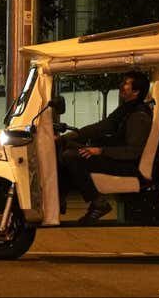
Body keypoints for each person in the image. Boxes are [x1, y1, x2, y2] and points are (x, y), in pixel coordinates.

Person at [57, 71, 152, 225]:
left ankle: (98, 202)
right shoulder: (126, 109)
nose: (121, 85)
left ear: (136, 91)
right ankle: (58, 197)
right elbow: (101, 127)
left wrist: (100, 151)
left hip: (126, 165)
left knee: (70, 156)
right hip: (113, 156)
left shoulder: (138, 115)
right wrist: (66, 137)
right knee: (64, 145)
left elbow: (133, 152)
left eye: (126, 83)